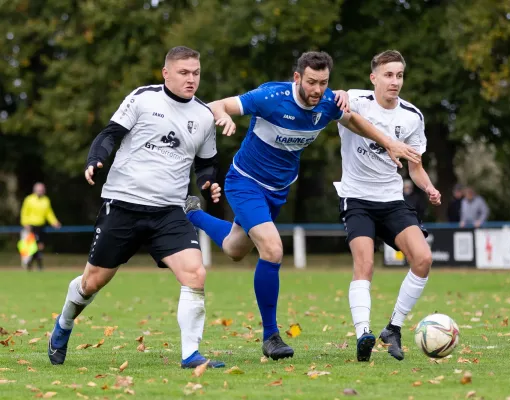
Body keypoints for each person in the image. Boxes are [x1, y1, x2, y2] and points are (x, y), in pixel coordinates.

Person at [185, 51, 421, 360]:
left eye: (323, 83)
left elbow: (355, 121)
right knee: (272, 249)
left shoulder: (326, 105)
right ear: (297, 78)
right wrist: (223, 115)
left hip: (277, 191)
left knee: (234, 248)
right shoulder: (271, 97)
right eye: (311, 82)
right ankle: (271, 336)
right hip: (245, 183)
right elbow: (218, 105)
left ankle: (191, 213)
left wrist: (389, 143)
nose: (317, 90)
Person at [48, 46, 225, 369]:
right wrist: (95, 159)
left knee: (195, 274)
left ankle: (190, 354)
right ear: (166, 73)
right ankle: (64, 323)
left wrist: (208, 183)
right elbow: (110, 134)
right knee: (92, 283)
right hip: (124, 205)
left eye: (196, 73)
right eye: (184, 73)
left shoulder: (203, 115)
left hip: (169, 212)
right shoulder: (143, 98)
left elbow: (207, 163)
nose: (191, 80)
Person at [333, 50, 441, 362]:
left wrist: (429, 187)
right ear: (374, 78)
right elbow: (338, 102)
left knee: (423, 259)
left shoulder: (411, 116)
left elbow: (414, 166)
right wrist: (338, 93)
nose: (395, 82)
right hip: (356, 198)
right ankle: (363, 333)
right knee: (364, 264)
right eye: (389, 75)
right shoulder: (355, 100)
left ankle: (393, 328)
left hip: (392, 200)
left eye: (399, 75)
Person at [20, 182, 62, 270]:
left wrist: (54, 222)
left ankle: (32, 264)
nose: (40, 192)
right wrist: (25, 223)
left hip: (41, 226)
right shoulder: (29, 199)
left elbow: (49, 213)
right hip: (31, 226)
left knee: (40, 246)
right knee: (32, 247)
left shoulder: (46, 200)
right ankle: (36, 265)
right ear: (34, 190)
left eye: (42, 190)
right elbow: (24, 213)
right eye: (39, 190)